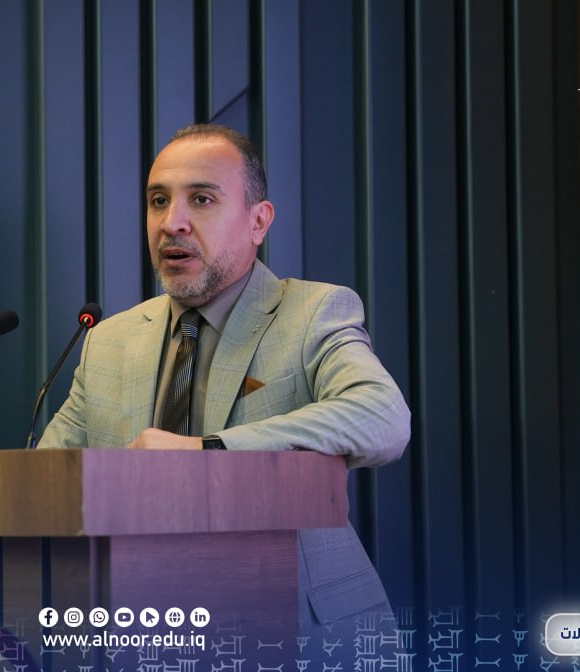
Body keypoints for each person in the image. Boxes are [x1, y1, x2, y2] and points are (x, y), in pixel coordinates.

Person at [37, 123, 410, 646]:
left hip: (298, 629)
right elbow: (44, 483)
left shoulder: (313, 312)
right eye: (159, 201)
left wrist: (208, 451)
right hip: (149, 628)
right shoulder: (108, 341)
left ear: (259, 221)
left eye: (202, 199)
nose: (173, 223)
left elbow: (383, 418)